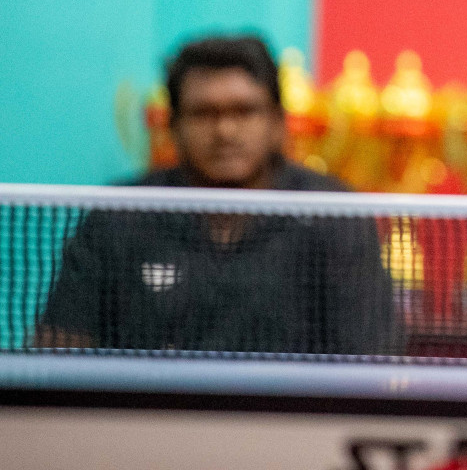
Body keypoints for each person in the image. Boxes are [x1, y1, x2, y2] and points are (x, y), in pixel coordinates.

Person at [35, 34, 398, 355]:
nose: (225, 130)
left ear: (277, 123)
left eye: (244, 111)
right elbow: (59, 352)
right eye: (204, 113)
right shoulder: (119, 215)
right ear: (173, 127)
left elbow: (370, 359)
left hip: (290, 425)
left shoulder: (334, 215)